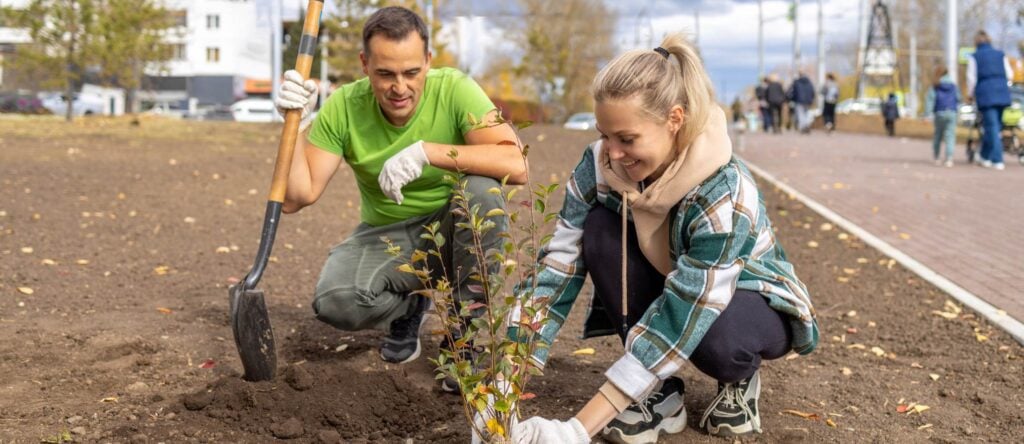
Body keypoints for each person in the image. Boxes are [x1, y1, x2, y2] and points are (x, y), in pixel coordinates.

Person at [506, 33, 819, 443]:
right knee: (598, 229)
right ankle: (657, 394)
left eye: (627, 139)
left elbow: (686, 309)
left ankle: (739, 379)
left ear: (675, 119)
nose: (612, 153)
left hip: (747, 295)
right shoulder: (599, 164)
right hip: (671, 278)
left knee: (718, 341)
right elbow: (557, 269)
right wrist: (502, 383)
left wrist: (577, 430)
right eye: (605, 135)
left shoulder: (724, 190)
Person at [272, 6, 527, 392]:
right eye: (385, 73)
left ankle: (465, 336)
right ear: (364, 64)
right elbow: (296, 197)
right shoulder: (344, 106)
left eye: (411, 72)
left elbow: (516, 164)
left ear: (428, 61)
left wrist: (428, 152)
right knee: (335, 301)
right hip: (388, 235)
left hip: (454, 227)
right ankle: (410, 307)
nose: (400, 87)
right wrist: (297, 125)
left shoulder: (455, 89)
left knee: (481, 191)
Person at [967, 30, 1013, 170]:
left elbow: (971, 78)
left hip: (986, 94)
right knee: (994, 126)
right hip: (1002, 93)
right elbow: (1009, 74)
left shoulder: (974, 57)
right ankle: (984, 156)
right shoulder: (1000, 54)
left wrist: (970, 95)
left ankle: (997, 159)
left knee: (992, 127)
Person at [925, 66, 960, 167]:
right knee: (950, 136)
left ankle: (937, 157)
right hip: (952, 112)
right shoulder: (953, 86)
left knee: (938, 136)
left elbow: (930, 101)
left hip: (939, 113)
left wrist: (927, 114)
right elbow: (959, 98)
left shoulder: (935, 86)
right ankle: (949, 159)